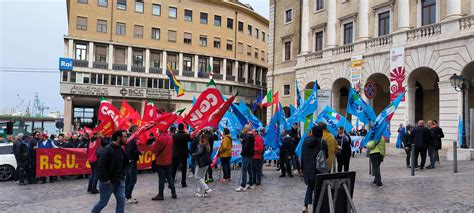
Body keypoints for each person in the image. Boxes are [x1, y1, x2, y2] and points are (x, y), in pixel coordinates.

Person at [91, 130, 129, 213]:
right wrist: (106, 179)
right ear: (119, 138)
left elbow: (123, 162)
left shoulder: (121, 149)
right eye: (125, 137)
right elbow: (101, 166)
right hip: (108, 182)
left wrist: (123, 174)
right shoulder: (107, 149)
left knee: (121, 201)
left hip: (119, 181)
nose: (127, 138)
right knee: (103, 203)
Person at [301, 126, 327, 212]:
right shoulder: (322, 142)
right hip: (317, 169)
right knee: (317, 189)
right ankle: (316, 208)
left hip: (307, 169)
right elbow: (325, 156)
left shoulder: (305, 141)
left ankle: (305, 205)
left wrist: (302, 168)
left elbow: (302, 155)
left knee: (310, 186)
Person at [151, 129, 177, 201]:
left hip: (161, 161)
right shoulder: (170, 138)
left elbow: (154, 150)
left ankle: (160, 194)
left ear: (160, 131)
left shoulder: (159, 139)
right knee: (170, 177)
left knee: (161, 179)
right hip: (168, 160)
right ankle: (173, 192)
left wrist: (153, 144)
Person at [236, 125, 255, 192]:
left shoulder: (247, 136)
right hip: (250, 155)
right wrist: (242, 140)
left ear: (247, 129)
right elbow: (247, 143)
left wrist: (242, 152)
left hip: (246, 155)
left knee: (244, 170)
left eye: (244, 128)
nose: (243, 129)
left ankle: (243, 185)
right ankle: (251, 184)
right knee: (250, 170)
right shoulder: (251, 136)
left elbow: (246, 147)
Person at [172, 123, 191, 188]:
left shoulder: (175, 135)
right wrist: (186, 132)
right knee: (183, 169)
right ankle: (183, 183)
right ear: (183, 128)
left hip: (175, 154)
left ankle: (171, 183)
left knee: (174, 169)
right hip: (183, 154)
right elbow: (191, 139)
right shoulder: (185, 135)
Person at [125, 125, 141, 204]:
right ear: (134, 130)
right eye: (137, 130)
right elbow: (129, 152)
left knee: (128, 179)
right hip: (131, 161)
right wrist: (139, 152)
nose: (138, 131)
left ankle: (127, 196)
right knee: (133, 180)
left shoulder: (128, 138)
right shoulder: (131, 139)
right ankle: (128, 196)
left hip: (128, 162)